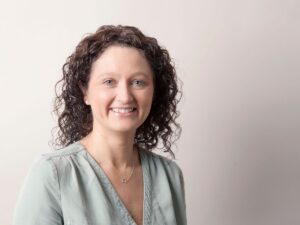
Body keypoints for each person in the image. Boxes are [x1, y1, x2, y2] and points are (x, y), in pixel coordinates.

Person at [13, 25, 187, 225]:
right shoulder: (52, 175)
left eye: (138, 82)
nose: (125, 96)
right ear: (85, 91)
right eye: (109, 81)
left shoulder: (170, 175)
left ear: (155, 92)